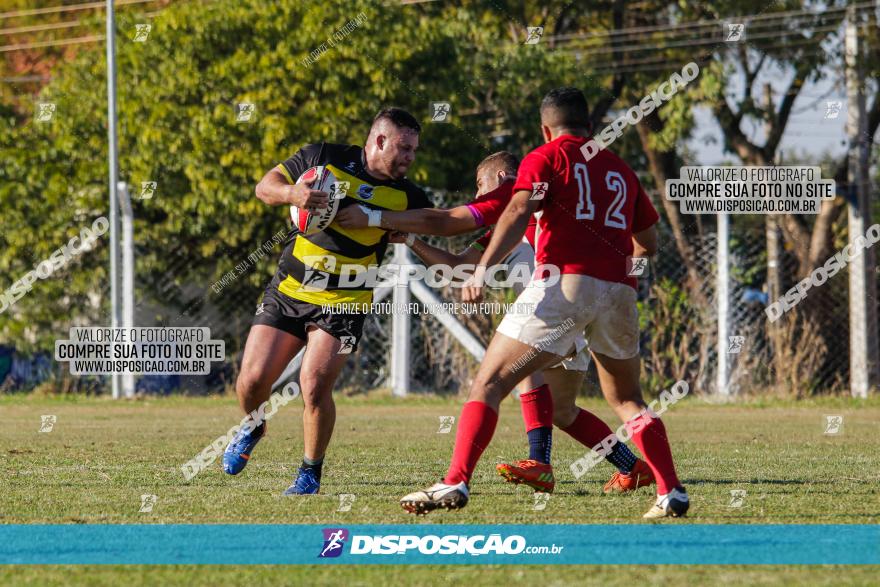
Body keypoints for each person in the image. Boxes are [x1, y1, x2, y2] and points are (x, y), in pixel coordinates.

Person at [398, 87, 688, 518]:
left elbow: (516, 213)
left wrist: (481, 269)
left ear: (545, 128)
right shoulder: (622, 170)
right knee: (626, 400)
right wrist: (623, 269)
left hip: (563, 285)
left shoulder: (545, 158)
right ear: (589, 127)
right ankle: (671, 490)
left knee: (489, 383)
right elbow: (648, 242)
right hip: (618, 290)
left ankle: (455, 480)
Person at [336, 151, 655, 495]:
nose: (477, 196)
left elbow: (447, 221)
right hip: (570, 311)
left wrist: (378, 217)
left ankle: (525, 467)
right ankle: (631, 467)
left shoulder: (517, 191)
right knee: (563, 411)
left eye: (479, 185)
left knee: (505, 374)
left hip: (557, 309)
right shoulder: (511, 228)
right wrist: (411, 240)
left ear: (502, 177)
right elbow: (457, 268)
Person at [223, 107, 433, 496]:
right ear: (379, 140)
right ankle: (254, 425)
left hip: (346, 300)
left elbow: (436, 223)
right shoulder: (323, 158)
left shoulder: (407, 196)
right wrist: (293, 193)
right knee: (251, 381)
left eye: (414, 150)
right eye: (404, 147)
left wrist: (389, 224)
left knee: (315, 383)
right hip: (290, 290)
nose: (410, 157)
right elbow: (264, 186)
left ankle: (309, 472)